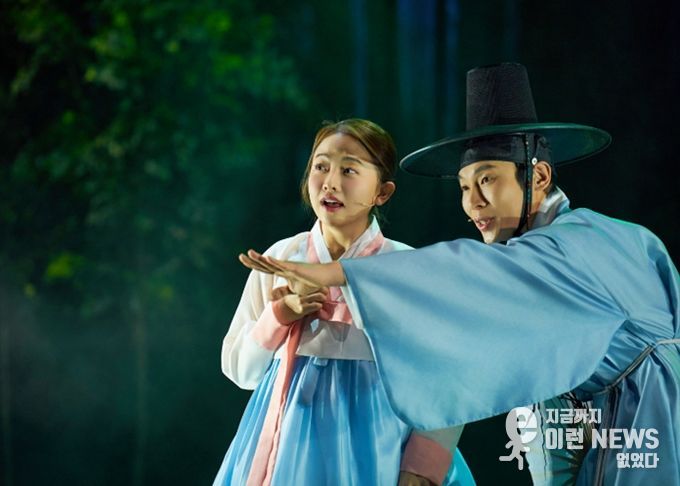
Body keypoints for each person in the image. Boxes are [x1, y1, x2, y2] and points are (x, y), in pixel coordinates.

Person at [240, 63, 680, 485]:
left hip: (641, 417)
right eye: (464, 187)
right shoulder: (587, 242)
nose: (472, 204)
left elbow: (458, 286)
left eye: (486, 180)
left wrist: (335, 274)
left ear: (540, 176)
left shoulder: (580, 241)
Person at [214, 118, 474, 486]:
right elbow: (241, 372)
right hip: (287, 445)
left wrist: (421, 467)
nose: (330, 182)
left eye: (348, 170)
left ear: (383, 192)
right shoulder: (281, 258)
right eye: (320, 166)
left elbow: (447, 380)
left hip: (380, 445)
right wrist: (280, 315)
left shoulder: (408, 269)